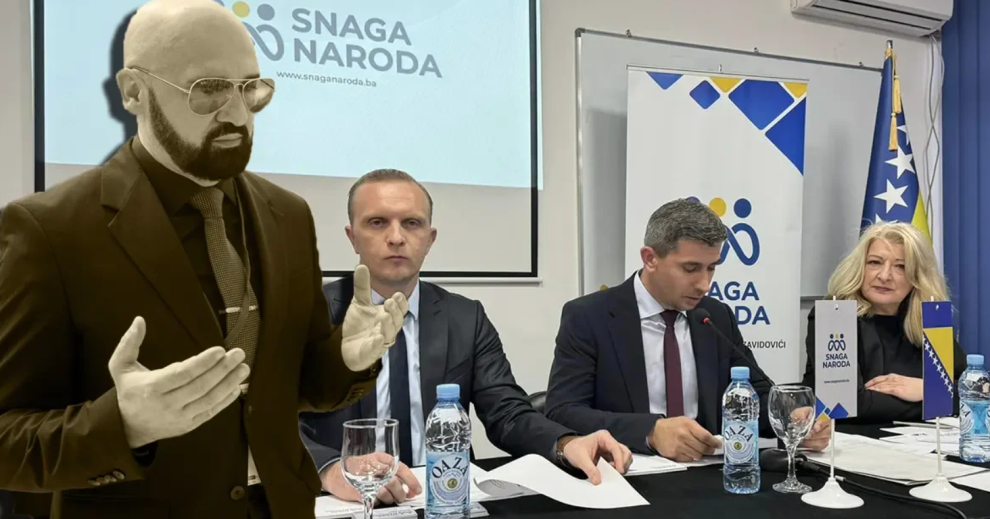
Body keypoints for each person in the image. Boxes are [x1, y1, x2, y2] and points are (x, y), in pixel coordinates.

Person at [0, 1, 406, 518]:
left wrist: (346, 357)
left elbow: (297, 389)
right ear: (133, 92)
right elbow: (8, 438)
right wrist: (122, 425)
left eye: (250, 88)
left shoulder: (287, 215)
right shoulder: (50, 230)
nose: (236, 113)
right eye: (208, 89)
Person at [299, 169, 632, 505]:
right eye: (377, 222)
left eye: (412, 223)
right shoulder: (304, 315)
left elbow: (507, 413)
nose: (396, 237)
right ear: (352, 237)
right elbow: (275, 421)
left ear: (430, 239)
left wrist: (566, 444)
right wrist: (330, 469)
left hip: (445, 498)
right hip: (344, 502)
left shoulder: (465, 317)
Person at [545, 199, 829, 462]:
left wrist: (791, 420)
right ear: (650, 258)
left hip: (709, 472)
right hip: (629, 472)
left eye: (711, 268)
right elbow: (563, 411)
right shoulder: (589, 317)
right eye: (691, 268)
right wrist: (650, 431)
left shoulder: (716, 316)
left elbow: (756, 395)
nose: (705, 284)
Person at [801, 222, 967, 423]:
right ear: (859, 268)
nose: (885, 276)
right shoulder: (834, 316)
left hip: (922, 441)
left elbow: (976, 392)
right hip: (849, 439)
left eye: (900, 266)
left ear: (917, 277)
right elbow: (849, 405)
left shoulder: (929, 320)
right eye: (874, 262)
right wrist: (935, 395)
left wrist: (925, 389)